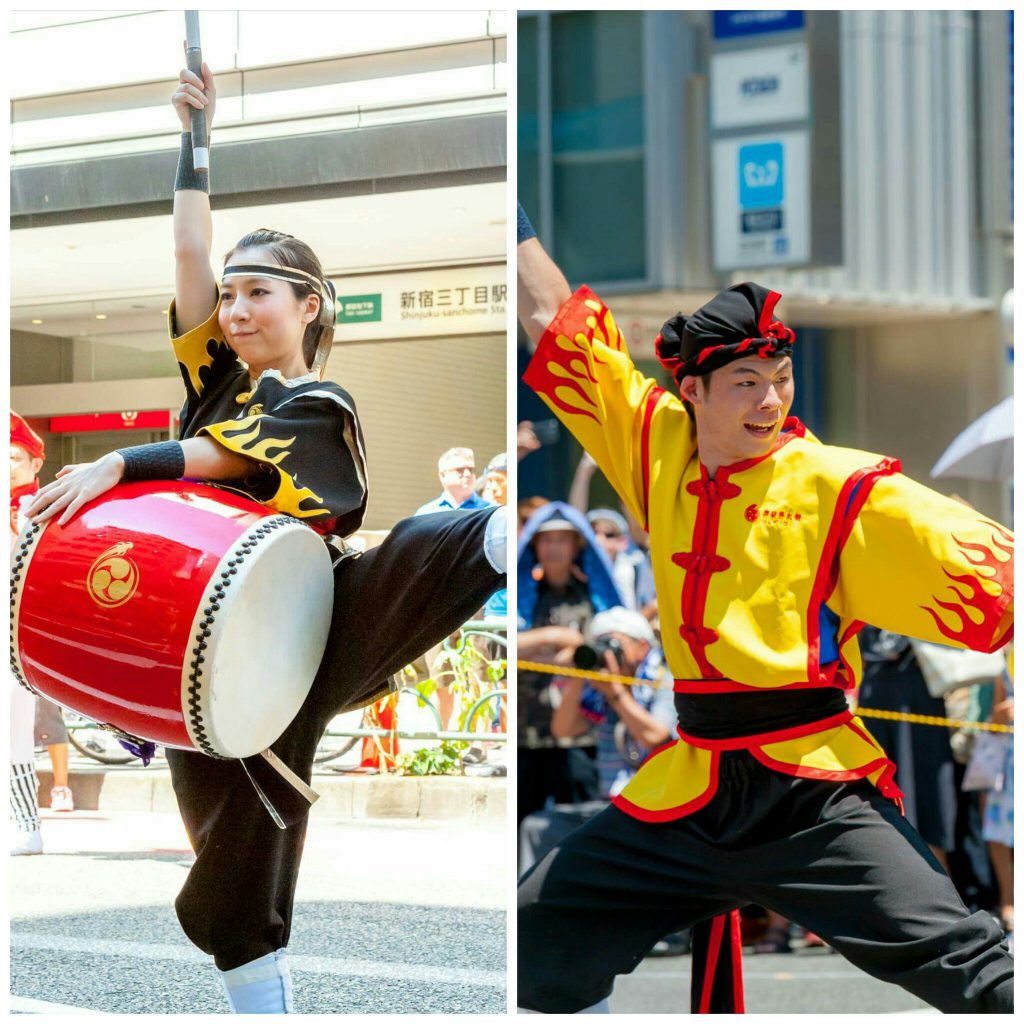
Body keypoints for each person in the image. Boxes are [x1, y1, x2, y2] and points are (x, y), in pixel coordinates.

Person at [25, 62, 505, 1015]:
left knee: (432, 541)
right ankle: (263, 999)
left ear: (308, 305)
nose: (237, 311)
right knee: (236, 854)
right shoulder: (213, 373)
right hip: (209, 661)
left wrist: (122, 465)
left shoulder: (319, 399)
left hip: (320, 623)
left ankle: (509, 535)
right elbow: (185, 257)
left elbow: (228, 461)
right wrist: (194, 136)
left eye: (260, 294)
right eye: (232, 297)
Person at [515, 204, 1013, 1014]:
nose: (769, 400)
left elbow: (996, 572)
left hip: (813, 790)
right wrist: (517, 215)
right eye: (745, 382)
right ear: (693, 390)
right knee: (535, 936)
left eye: (779, 380)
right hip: (692, 787)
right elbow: (552, 320)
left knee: (975, 970)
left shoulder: (840, 486)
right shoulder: (654, 446)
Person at [517, 502, 623, 824]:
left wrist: (561, 653)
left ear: (577, 545)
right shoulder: (523, 594)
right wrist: (557, 635)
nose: (553, 548)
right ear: (535, 544)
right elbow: (509, 645)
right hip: (528, 733)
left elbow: (603, 650)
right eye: (546, 540)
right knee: (524, 824)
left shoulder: (594, 597)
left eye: (562, 539)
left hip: (581, 734)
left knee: (580, 823)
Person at [10, 413, 45, 855]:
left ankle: (26, 822)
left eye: (15, 458)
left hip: (18, 638)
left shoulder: (40, 510)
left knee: (14, 731)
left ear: (36, 463)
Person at [414, 447, 494, 514]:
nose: (467, 474)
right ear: (442, 475)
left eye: (471, 470)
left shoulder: (489, 511)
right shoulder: (426, 513)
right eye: (460, 470)